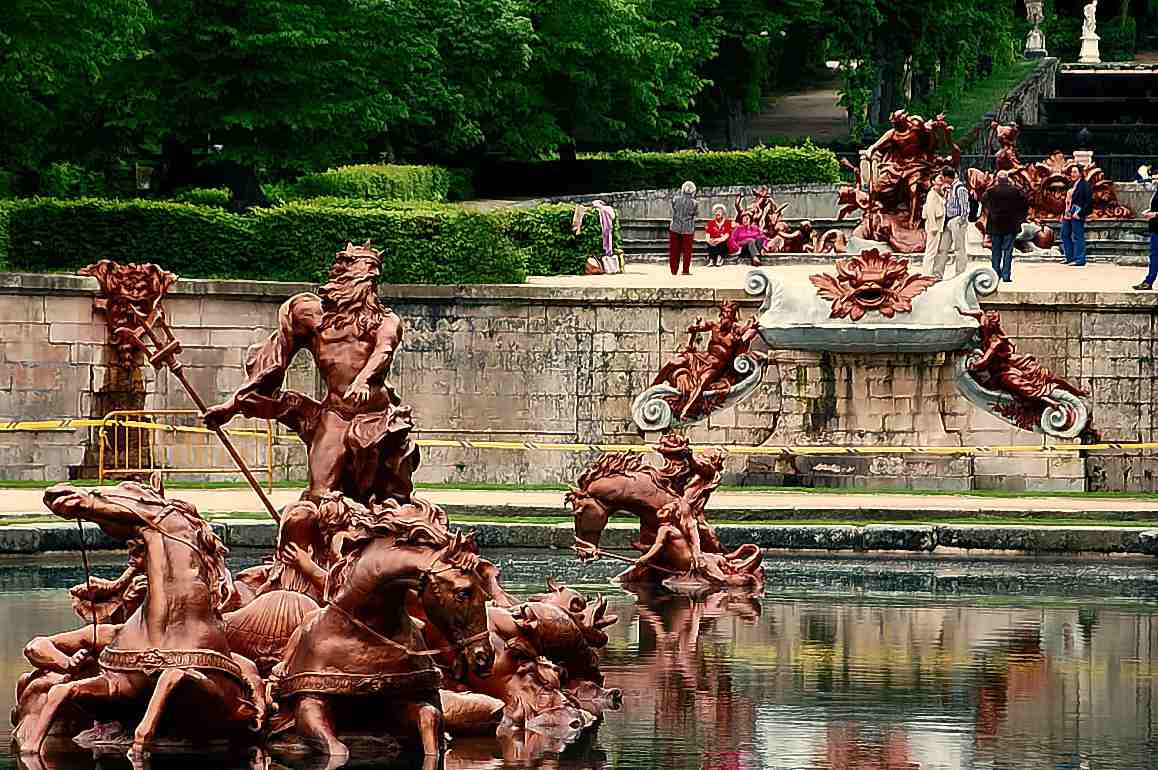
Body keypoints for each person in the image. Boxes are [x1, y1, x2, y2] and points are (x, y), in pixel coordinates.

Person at [982, 170, 1029, 282]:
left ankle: (995, 273)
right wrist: (1020, 218)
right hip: (1011, 225)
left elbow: (983, 201)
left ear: (997, 179)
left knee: (995, 251)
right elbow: (1025, 204)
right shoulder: (1015, 191)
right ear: (1008, 179)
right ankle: (1006, 275)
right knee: (1008, 251)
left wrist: (992, 211)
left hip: (995, 225)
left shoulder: (991, 191)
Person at [941, 167, 972, 278]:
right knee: (943, 248)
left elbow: (965, 206)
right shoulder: (950, 188)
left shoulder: (960, 188)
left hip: (956, 220)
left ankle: (960, 273)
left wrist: (961, 220)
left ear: (947, 177)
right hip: (949, 220)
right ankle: (938, 273)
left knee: (959, 248)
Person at [1061, 165, 1092, 267]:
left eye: (1075, 172)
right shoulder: (1071, 184)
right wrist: (1064, 213)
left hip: (1077, 213)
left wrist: (1080, 213)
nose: (1072, 174)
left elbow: (1088, 202)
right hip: (1067, 212)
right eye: (1072, 172)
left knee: (1078, 236)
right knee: (1064, 234)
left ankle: (1080, 259)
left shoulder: (1085, 185)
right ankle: (1069, 257)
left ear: (1080, 173)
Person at [1134, 168, 1158, 290]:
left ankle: (1149, 281)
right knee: (1154, 256)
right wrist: (1149, 211)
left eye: (1157, 178)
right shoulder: (1156, 192)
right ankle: (1149, 280)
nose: (1154, 181)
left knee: (1155, 256)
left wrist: (1155, 214)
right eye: (1153, 179)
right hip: (1155, 228)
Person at [668, 180, 698, 276]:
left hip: (675, 227)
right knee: (687, 251)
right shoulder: (694, 203)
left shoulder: (675, 199)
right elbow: (696, 214)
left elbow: (674, 209)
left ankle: (673, 270)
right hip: (688, 228)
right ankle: (685, 270)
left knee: (674, 250)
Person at [921, 176, 948, 276]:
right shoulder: (932, 194)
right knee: (931, 251)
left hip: (938, 225)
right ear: (933, 181)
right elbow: (930, 211)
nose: (941, 178)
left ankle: (930, 272)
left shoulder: (938, 193)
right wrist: (933, 225)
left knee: (934, 250)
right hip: (934, 226)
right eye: (938, 178)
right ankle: (926, 273)